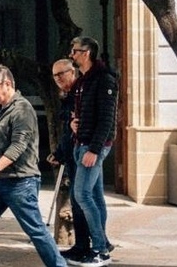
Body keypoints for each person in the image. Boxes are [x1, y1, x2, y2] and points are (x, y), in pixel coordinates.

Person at [0, 65, 66, 267]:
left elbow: (18, 145)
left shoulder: (22, 109)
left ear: (7, 84)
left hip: (20, 182)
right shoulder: (2, 109)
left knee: (35, 229)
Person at [67, 37, 120, 266]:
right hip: (82, 143)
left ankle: (100, 250)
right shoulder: (83, 81)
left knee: (82, 196)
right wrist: (74, 125)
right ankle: (102, 243)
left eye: (75, 51)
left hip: (92, 147)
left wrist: (95, 150)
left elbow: (107, 119)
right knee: (95, 197)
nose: (72, 54)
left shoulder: (104, 79)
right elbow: (82, 112)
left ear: (86, 53)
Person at [49, 58, 93, 263]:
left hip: (83, 153)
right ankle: (81, 245)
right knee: (77, 203)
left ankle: (95, 245)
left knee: (84, 201)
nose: (57, 79)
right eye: (55, 76)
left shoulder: (81, 93)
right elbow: (68, 130)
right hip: (72, 153)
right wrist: (59, 153)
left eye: (61, 74)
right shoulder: (68, 96)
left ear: (72, 72)